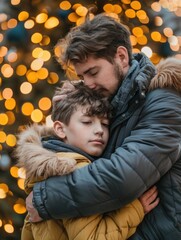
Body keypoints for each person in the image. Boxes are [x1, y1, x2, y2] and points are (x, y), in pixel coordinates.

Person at [26, 14, 181, 239]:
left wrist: (44, 198)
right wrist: (67, 121)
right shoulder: (110, 103)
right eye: (81, 76)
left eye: (93, 72)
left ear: (121, 56)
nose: (87, 84)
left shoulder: (165, 102)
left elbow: (124, 177)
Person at [15, 85, 158, 240]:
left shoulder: (46, 166)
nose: (99, 130)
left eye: (104, 124)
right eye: (87, 122)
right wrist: (135, 209)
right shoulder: (73, 169)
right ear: (60, 129)